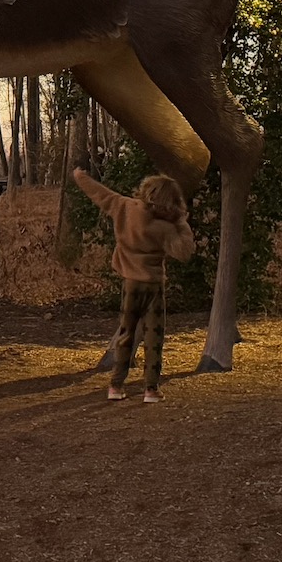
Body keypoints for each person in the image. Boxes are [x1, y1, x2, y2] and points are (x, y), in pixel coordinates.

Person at [73, 167, 195, 403]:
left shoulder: (124, 207)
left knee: (126, 333)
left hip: (130, 284)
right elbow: (185, 252)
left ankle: (116, 385)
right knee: (154, 337)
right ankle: (151, 388)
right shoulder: (166, 227)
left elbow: (100, 193)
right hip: (154, 287)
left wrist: (81, 177)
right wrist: (182, 223)